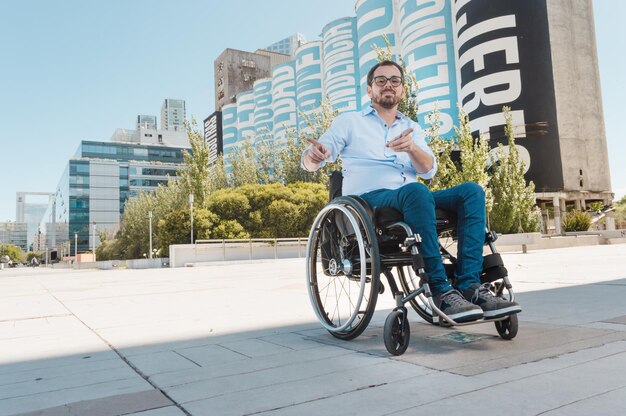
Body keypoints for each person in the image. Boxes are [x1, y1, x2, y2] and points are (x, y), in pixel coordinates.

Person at [302, 60, 521, 322]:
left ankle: (470, 286)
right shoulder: (350, 122)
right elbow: (318, 153)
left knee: (471, 192)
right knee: (416, 191)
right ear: (370, 90)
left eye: (395, 81)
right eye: (381, 81)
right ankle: (441, 289)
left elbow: (428, 170)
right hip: (370, 202)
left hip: (413, 198)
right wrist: (314, 155)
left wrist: (412, 149)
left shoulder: (412, 128)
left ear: (402, 91)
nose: (388, 85)